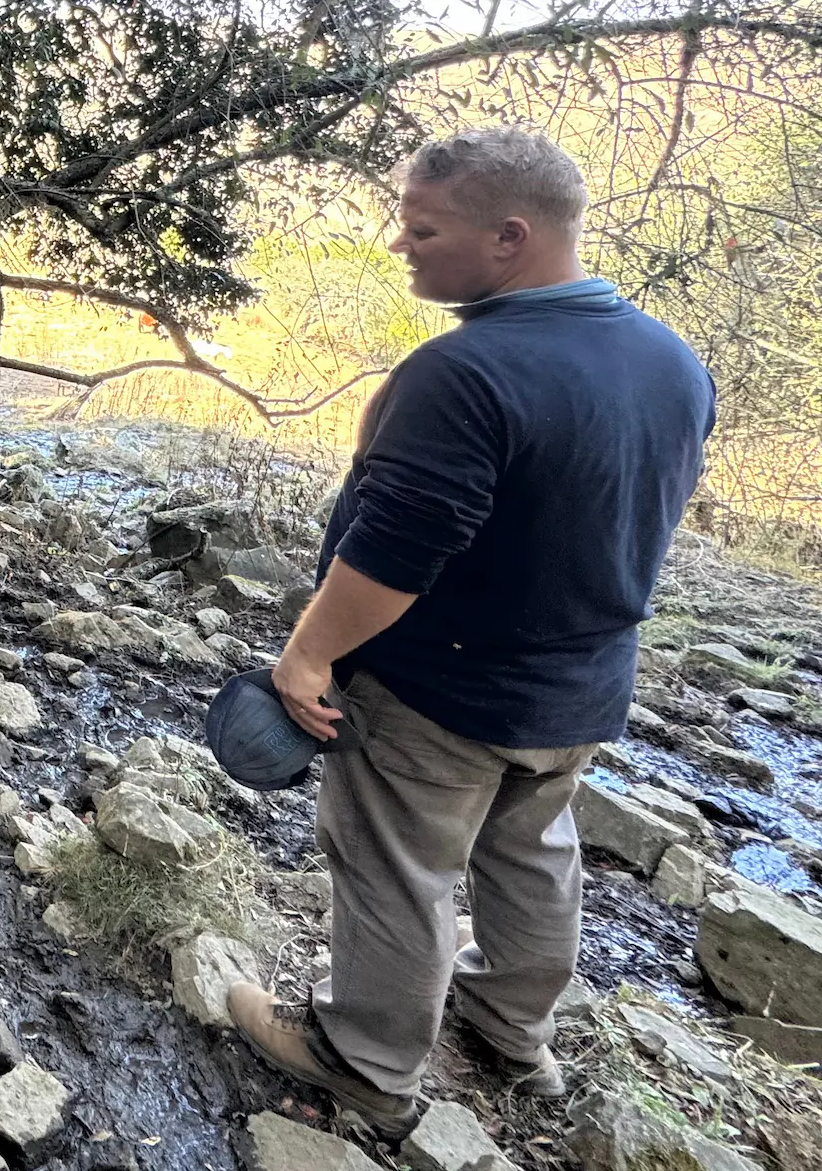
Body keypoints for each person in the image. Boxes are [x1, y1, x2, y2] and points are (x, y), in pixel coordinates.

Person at [225, 129, 715, 1136]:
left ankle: (363, 1062)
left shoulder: (466, 371)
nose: (401, 246)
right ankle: (508, 1030)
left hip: (441, 690)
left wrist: (308, 654)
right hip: (579, 688)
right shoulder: (672, 361)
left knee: (398, 867)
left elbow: (398, 552)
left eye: (422, 227)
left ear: (509, 237)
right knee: (533, 853)